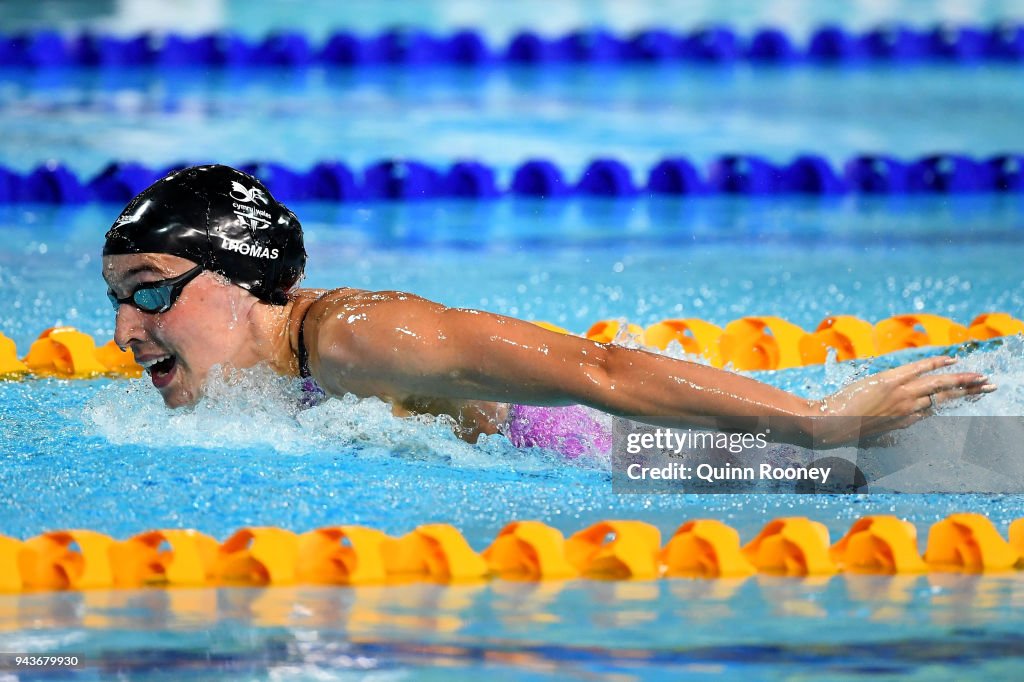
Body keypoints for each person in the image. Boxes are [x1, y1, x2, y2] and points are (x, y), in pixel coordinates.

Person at [102, 165, 995, 455]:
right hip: (608, 451)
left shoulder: (353, 335)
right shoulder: (266, 379)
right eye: (115, 302)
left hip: (646, 453)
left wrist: (818, 425)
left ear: (240, 278)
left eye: (148, 291)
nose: (125, 332)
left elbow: (599, 371)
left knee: (963, 446)